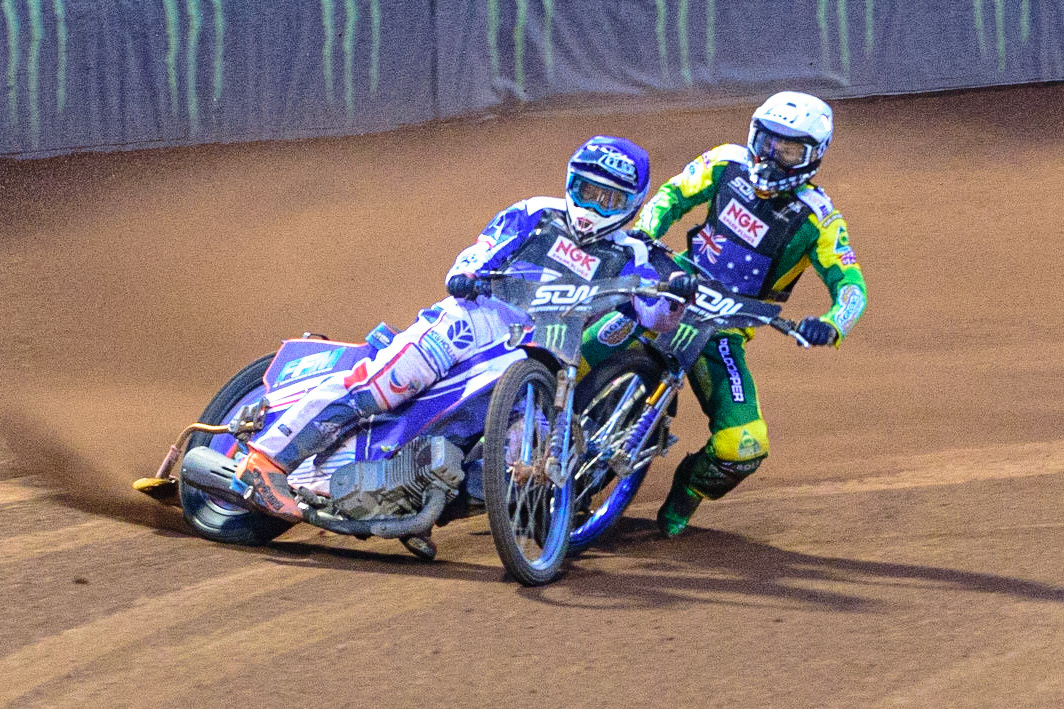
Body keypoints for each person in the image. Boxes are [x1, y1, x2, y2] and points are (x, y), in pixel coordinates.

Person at [232, 135, 693, 523]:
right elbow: (482, 250)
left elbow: (653, 314)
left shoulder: (635, 254)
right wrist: (466, 273)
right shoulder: (536, 212)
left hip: (540, 358)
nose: (591, 206)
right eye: (584, 189)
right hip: (473, 322)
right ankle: (268, 459)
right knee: (384, 386)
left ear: (631, 204)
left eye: (607, 198)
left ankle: (419, 498)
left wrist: (676, 298)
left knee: (523, 460)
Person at [585, 91, 868, 537]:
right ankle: (510, 426)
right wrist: (643, 238)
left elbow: (851, 287)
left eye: (789, 150)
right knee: (574, 346)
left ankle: (686, 493)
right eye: (768, 141)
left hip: (725, 329)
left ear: (813, 156)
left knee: (744, 446)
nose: (772, 157)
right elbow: (672, 195)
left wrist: (832, 324)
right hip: (671, 286)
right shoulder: (727, 161)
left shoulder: (820, 219)